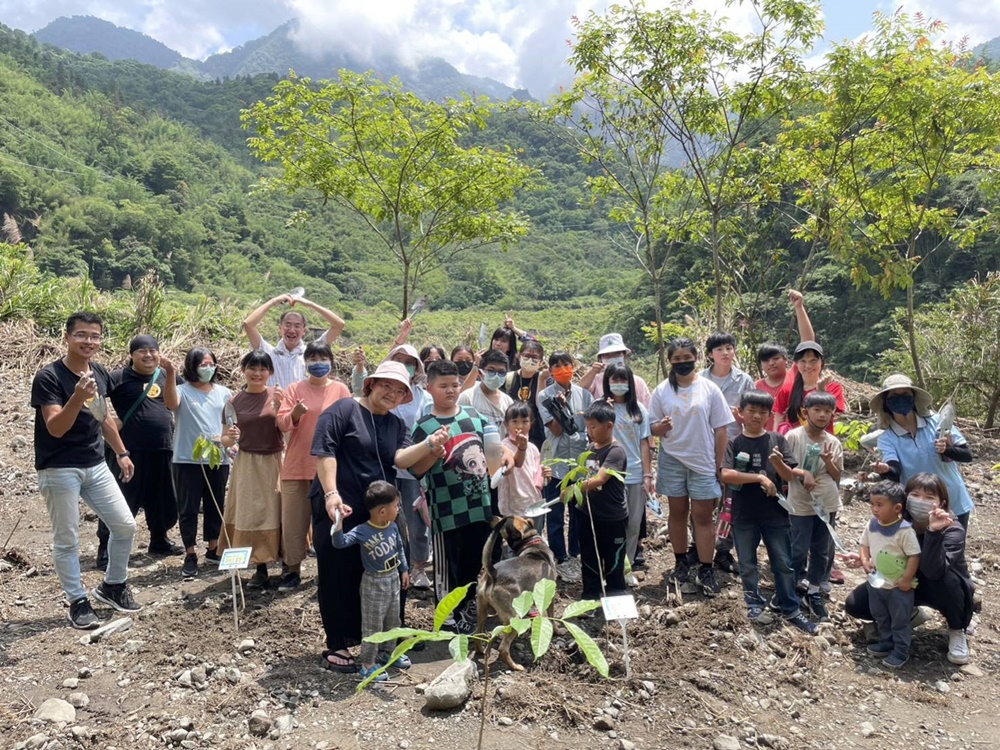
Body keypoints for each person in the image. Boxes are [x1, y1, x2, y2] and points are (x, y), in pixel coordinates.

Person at [311, 360, 446, 672]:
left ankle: (387, 638)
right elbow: (325, 452)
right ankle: (339, 642)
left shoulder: (396, 425)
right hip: (341, 504)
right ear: (371, 384)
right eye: (387, 385)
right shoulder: (343, 410)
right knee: (339, 570)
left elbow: (402, 460)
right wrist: (331, 493)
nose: (392, 394)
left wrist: (430, 447)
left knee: (390, 567)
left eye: (400, 391)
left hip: (381, 511)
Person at [31, 311, 141, 629]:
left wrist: (121, 452)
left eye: (95, 336)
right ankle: (77, 601)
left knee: (125, 526)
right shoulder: (49, 377)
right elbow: (55, 427)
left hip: (95, 464)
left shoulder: (99, 372)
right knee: (67, 539)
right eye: (81, 334)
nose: (88, 341)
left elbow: (102, 416)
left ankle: (113, 585)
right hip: (58, 468)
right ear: (67, 337)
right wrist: (77, 397)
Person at [404, 360, 515, 634]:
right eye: (443, 386)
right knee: (447, 567)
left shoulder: (473, 415)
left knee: (475, 561)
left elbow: (494, 445)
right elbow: (416, 470)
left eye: (455, 385)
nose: (450, 390)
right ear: (429, 388)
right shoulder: (425, 426)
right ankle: (447, 619)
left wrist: (508, 455)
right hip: (446, 510)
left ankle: (468, 610)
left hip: (480, 506)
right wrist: (433, 452)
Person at [844, 473, 974, 665]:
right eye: (915, 495)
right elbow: (885, 546)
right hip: (902, 581)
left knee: (949, 582)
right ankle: (909, 614)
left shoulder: (952, 530)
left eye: (929, 497)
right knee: (856, 604)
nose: (920, 501)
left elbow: (934, 571)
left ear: (941, 503)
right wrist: (868, 559)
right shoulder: (897, 522)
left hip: (937, 584)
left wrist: (933, 532)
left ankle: (957, 629)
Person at [720, 390, 818, 635]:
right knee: (747, 563)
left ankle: (790, 608)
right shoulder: (734, 443)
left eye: (763, 412)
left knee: (783, 563)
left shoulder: (777, 440)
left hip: (775, 513)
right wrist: (760, 477)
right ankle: (753, 604)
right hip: (743, 514)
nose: (757, 416)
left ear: (770, 415)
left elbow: (789, 476)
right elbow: (726, 474)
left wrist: (777, 464)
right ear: (740, 413)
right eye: (751, 411)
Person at [649, 338, 733, 597]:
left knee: (703, 517)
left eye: (687, 358)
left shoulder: (709, 389)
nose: (682, 363)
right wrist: (661, 427)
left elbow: (721, 430)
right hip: (672, 458)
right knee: (677, 513)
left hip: (703, 460)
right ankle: (681, 562)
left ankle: (706, 568)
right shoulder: (661, 390)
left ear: (696, 358)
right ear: (669, 361)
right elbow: (651, 428)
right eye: (677, 359)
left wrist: (719, 465)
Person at [95, 334, 182, 569]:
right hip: (128, 452)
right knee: (120, 499)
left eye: (153, 350)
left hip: (163, 448)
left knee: (162, 498)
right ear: (132, 355)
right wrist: (109, 421)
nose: (148, 355)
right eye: (142, 351)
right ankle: (105, 550)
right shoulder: (118, 377)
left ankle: (159, 540)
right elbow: (94, 401)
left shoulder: (167, 376)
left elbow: (187, 398)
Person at [276, 341, 350, 591]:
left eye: (323, 358)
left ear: (331, 361)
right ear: (305, 362)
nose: (318, 364)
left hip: (329, 470)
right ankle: (292, 570)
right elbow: (282, 424)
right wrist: (295, 413)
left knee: (328, 521)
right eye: (313, 359)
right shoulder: (294, 388)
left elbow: (350, 424)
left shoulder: (340, 389)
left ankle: (328, 570)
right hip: (297, 466)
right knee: (293, 523)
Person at [164, 347, 235, 578]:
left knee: (215, 504)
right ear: (192, 366)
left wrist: (231, 442)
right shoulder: (182, 391)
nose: (208, 368)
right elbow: (171, 404)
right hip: (187, 458)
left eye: (211, 364)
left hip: (218, 458)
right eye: (203, 364)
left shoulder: (224, 393)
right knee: (189, 507)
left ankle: (213, 548)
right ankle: (190, 553)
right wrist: (171, 373)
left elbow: (231, 423)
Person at [870, 373, 975, 529]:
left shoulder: (938, 423)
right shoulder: (887, 438)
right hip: (918, 508)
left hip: (954, 501)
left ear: (914, 398)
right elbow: (895, 470)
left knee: (953, 544)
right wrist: (886, 470)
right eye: (894, 396)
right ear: (886, 402)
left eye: (905, 394)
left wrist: (947, 449)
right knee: (922, 545)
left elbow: (967, 455)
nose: (900, 399)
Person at [331, 480, 411, 682]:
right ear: (382, 511)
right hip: (374, 583)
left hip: (393, 578)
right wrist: (338, 524)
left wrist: (404, 569)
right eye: (396, 506)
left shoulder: (393, 526)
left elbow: (399, 548)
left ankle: (388, 653)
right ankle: (367, 663)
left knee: (393, 620)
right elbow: (340, 543)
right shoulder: (362, 530)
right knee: (372, 625)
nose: (398, 509)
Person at [218, 351, 285, 589]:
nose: (257, 373)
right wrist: (231, 437)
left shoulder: (278, 396)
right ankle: (260, 567)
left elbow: (288, 428)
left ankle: (288, 564)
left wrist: (281, 408)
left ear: (270, 372)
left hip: (275, 461)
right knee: (251, 512)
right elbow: (225, 439)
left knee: (279, 509)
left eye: (263, 369)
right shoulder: (233, 402)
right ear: (243, 370)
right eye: (252, 368)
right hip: (247, 464)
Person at [781, 391, 843, 621]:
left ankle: (814, 590)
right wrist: (803, 473)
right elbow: (784, 468)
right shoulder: (793, 437)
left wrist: (828, 461)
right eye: (817, 410)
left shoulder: (833, 442)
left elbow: (837, 475)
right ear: (805, 412)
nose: (822, 415)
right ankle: (789, 588)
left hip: (826, 502)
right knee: (797, 548)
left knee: (821, 549)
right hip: (800, 503)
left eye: (827, 411)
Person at [701, 331, 755, 575]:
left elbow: (754, 413)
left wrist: (742, 419)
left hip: (735, 449)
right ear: (710, 354)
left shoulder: (744, 380)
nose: (725, 353)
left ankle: (723, 549)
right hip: (703, 446)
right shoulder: (699, 379)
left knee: (730, 501)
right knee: (702, 499)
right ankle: (698, 545)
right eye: (719, 349)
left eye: (729, 348)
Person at [537, 351, 594, 582]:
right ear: (550, 370)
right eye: (557, 366)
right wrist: (560, 409)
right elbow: (556, 429)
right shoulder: (544, 396)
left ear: (573, 366)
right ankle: (560, 556)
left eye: (566, 365)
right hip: (556, 462)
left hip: (579, 462)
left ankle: (575, 553)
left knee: (578, 510)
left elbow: (590, 427)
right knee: (556, 513)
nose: (562, 370)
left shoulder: (585, 395)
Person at [384, 344, 434, 590]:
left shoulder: (424, 397)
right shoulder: (384, 393)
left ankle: (418, 567)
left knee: (416, 521)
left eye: (409, 362)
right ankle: (389, 564)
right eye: (399, 360)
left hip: (414, 469)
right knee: (386, 516)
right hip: (386, 466)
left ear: (417, 367)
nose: (405, 366)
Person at [858, 481, 921, 669]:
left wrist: (907, 579)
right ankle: (887, 641)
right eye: (872, 504)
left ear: (897, 508)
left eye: (880, 505)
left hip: (898, 587)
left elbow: (914, 555)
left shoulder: (905, 531)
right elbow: (864, 545)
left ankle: (901, 650)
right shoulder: (872, 525)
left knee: (900, 620)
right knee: (881, 615)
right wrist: (865, 561)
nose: (874, 509)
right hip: (876, 582)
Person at [573, 401, 628, 600]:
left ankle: (616, 596)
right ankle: (591, 596)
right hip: (588, 512)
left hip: (612, 516)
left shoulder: (616, 451)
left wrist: (573, 489)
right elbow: (588, 477)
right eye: (588, 427)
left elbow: (598, 479)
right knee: (589, 557)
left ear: (609, 426)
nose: (589, 431)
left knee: (613, 559)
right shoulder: (590, 448)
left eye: (593, 427)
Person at [602, 363, 652, 580]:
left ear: (630, 383)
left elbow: (644, 443)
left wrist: (648, 475)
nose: (619, 384)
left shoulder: (639, 409)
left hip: (635, 474)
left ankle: (626, 568)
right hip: (609, 475)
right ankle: (609, 567)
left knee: (633, 524)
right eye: (614, 379)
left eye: (623, 380)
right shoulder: (601, 408)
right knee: (612, 524)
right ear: (607, 382)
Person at [242, 293, 346, 388]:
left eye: (297, 326)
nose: (292, 330)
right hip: (275, 403)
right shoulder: (268, 353)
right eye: (288, 325)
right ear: (280, 328)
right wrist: (274, 301)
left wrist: (310, 304)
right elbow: (248, 324)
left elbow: (339, 325)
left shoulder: (312, 353)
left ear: (304, 331)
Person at [754, 290, 816, 408]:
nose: (771, 363)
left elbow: (808, 342)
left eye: (776, 358)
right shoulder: (755, 387)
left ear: (786, 360)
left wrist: (799, 307)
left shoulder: (795, 376)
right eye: (766, 360)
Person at [773, 341, 845, 434]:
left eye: (813, 361)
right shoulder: (787, 390)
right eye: (803, 361)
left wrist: (822, 392)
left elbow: (832, 413)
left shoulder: (833, 387)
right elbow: (778, 418)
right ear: (796, 363)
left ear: (822, 363)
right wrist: (776, 439)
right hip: (795, 441)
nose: (808, 366)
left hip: (823, 440)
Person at [498, 402, 546, 518]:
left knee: (535, 530)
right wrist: (522, 447)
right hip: (513, 507)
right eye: (514, 421)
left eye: (525, 421)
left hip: (534, 503)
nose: (520, 426)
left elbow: (538, 476)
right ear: (506, 424)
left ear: (531, 424)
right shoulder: (503, 448)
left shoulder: (533, 449)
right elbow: (516, 463)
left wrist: (546, 476)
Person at [579, 333, 652, 405]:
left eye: (616, 353)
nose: (612, 357)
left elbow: (647, 406)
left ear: (624, 355)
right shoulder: (596, 380)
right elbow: (581, 389)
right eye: (607, 354)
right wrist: (593, 372)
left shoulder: (638, 382)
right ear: (601, 358)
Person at [503, 339, 547, 450]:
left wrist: (542, 380)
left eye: (535, 357)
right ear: (519, 356)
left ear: (541, 362)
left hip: (537, 436)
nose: (530, 360)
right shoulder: (508, 378)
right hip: (511, 436)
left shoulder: (545, 379)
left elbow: (542, 405)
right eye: (526, 356)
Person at [458, 349, 513, 434]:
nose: (496, 376)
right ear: (480, 373)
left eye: (501, 372)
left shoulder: (508, 402)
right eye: (491, 371)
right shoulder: (467, 398)